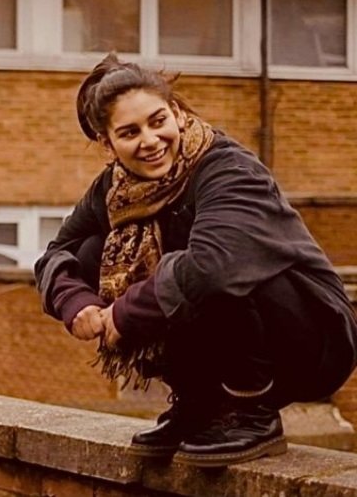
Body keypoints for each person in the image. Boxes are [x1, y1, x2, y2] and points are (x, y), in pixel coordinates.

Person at [35, 53, 357, 468]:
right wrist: (77, 303)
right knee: (93, 252)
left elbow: (213, 266)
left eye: (157, 121)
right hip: (233, 323)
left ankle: (252, 412)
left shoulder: (228, 168)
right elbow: (53, 256)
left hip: (310, 336)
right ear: (107, 144)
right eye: (129, 132)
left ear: (178, 113)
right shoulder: (113, 190)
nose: (149, 141)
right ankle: (198, 404)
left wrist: (124, 312)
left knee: (212, 268)